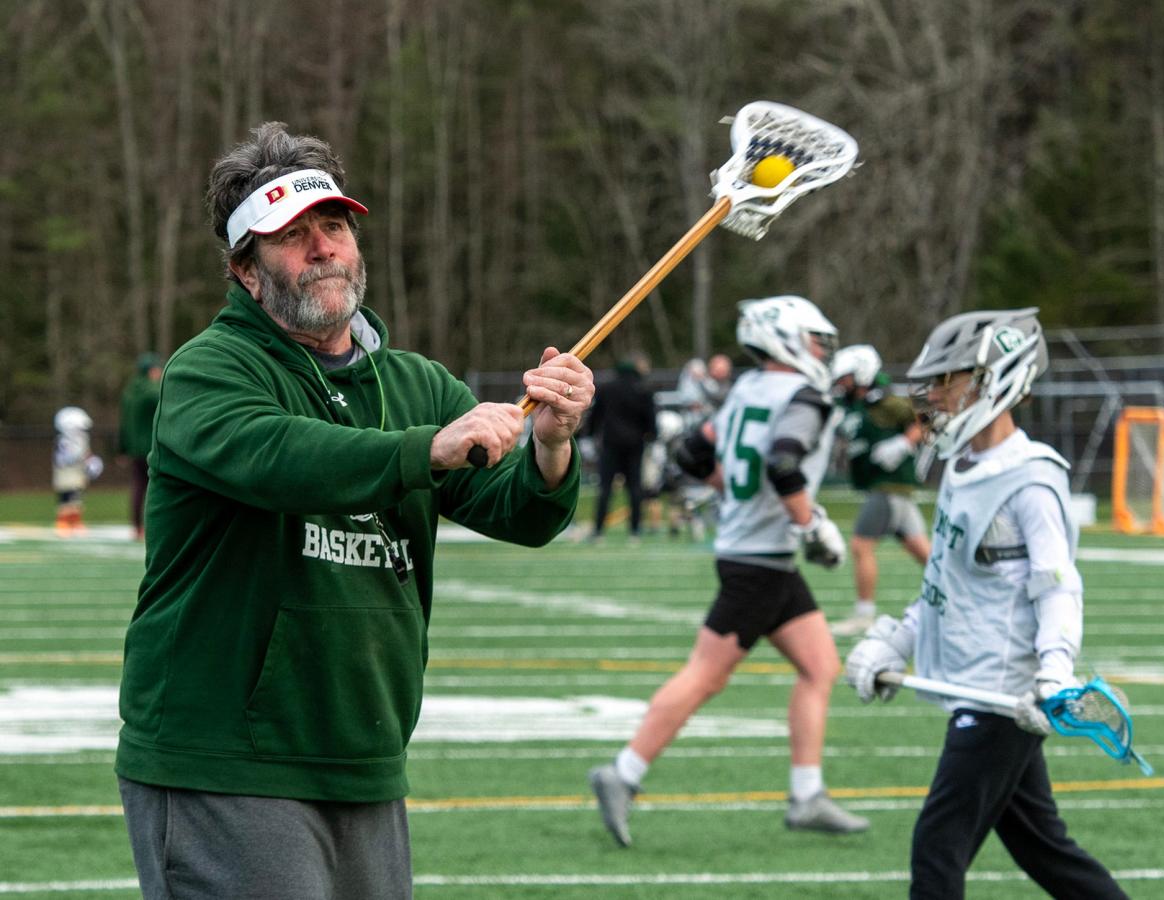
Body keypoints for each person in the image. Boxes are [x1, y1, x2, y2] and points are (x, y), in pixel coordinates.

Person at [114, 121, 594, 900]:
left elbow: (523, 515)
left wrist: (551, 443)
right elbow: (280, 457)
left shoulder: (417, 383)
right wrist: (427, 450)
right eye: (292, 236)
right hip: (226, 762)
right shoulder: (211, 370)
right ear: (245, 269)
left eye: (332, 227)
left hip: (363, 757)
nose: (322, 248)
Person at [844, 308, 1129, 899]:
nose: (935, 395)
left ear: (994, 380)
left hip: (1006, 694)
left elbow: (1059, 588)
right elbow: (944, 586)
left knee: (936, 850)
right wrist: (893, 640)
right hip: (977, 684)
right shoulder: (963, 468)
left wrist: (1053, 670)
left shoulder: (1030, 481)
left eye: (949, 380)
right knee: (1044, 849)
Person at [589, 295, 869, 847]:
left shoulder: (744, 388)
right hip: (760, 560)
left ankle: (807, 793)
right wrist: (811, 524)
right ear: (788, 338)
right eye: (816, 340)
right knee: (705, 676)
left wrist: (737, 497)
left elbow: (694, 451)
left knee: (819, 665)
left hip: (758, 554)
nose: (822, 352)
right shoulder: (803, 395)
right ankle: (621, 774)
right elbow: (784, 461)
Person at [829, 344, 930, 636]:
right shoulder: (852, 405)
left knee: (861, 546)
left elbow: (924, 420)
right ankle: (962, 595)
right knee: (925, 553)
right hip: (884, 487)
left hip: (888, 485)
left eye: (846, 377)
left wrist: (903, 444)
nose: (841, 383)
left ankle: (864, 613)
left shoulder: (888, 403)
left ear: (861, 374)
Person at [587, 353, 656, 542]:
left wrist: (591, 433)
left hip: (610, 443)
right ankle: (635, 531)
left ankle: (598, 531)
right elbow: (650, 418)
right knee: (635, 488)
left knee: (605, 488)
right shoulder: (643, 389)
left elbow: (596, 415)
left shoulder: (607, 388)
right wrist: (651, 436)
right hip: (635, 444)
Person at [118, 352, 163, 540]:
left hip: (134, 449)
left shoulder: (128, 392)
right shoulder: (153, 391)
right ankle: (154, 527)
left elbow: (123, 423)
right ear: (152, 371)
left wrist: (122, 449)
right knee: (156, 488)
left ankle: (137, 527)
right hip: (152, 447)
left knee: (137, 487)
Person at [52, 406, 103, 534]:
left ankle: (75, 522)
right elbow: (64, 459)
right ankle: (63, 522)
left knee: (77, 499)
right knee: (67, 498)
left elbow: (86, 455)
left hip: (78, 473)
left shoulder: (82, 439)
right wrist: (79, 456)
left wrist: (92, 463)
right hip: (66, 474)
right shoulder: (64, 441)